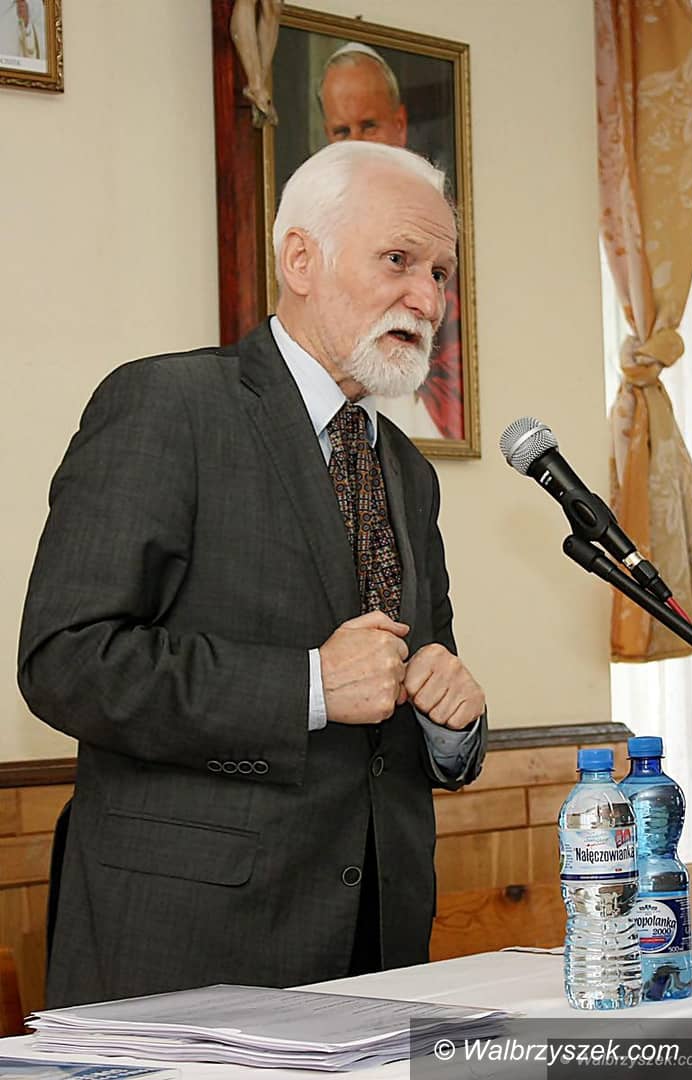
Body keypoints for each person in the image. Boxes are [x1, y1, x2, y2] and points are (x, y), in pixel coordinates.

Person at [18, 140, 487, 1008]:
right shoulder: (170, 406)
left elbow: (410, 679)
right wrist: (308, 685)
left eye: (440, 274)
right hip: (188, 950)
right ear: (300, 259)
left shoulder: (407, 471)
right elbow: (65, 660)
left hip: (378, 949)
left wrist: (449, 717)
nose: (428, 300)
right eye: (398, 260)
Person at [318, 43, 464, 441]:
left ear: (399, 125)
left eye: (369, 126)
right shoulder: (315, 218)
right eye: (342, 132)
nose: (357, 145)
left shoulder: (437, 223)